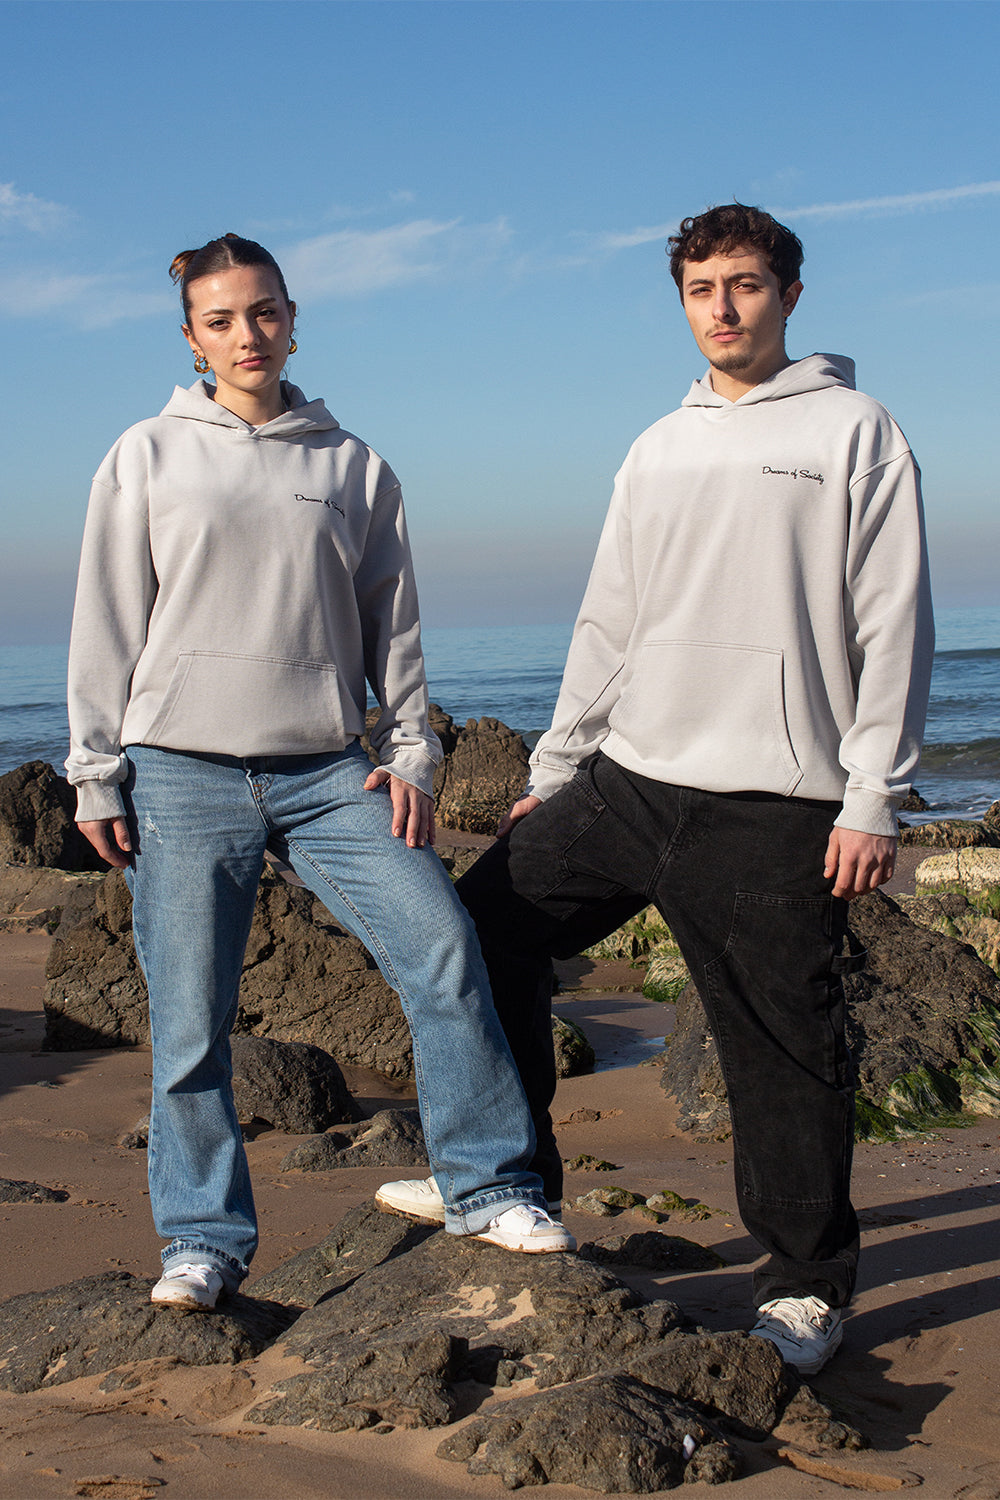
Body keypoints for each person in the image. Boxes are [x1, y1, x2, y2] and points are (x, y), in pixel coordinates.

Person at [377, 203, 934, 1374]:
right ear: (681, 303)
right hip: (628, 783)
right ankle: (506, 1177)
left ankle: (804, 1287)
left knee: (781, 1046)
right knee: (479, 930)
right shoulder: (657, 446)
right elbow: (609, 622)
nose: (721, 309)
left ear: (788, 294)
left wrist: (871, 796)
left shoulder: (854, 431)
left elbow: (893, 624)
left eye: (744, 284)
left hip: (776, 799)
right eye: (700, 290)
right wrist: (554, 771)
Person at [66, 233, 572, 1312]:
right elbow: (106, 620)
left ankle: (488, 1184)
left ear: (293, 320)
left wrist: (412, 753)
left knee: (443, 947)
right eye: (221, 320)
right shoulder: (146, 454)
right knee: (191, 1022)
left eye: (264, 312)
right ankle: (201, 1242)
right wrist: (95, 772)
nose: (246, 334)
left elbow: (395, 628)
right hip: (181, 772)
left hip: (327, 772)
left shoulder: (352, 466)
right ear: (193, 339)